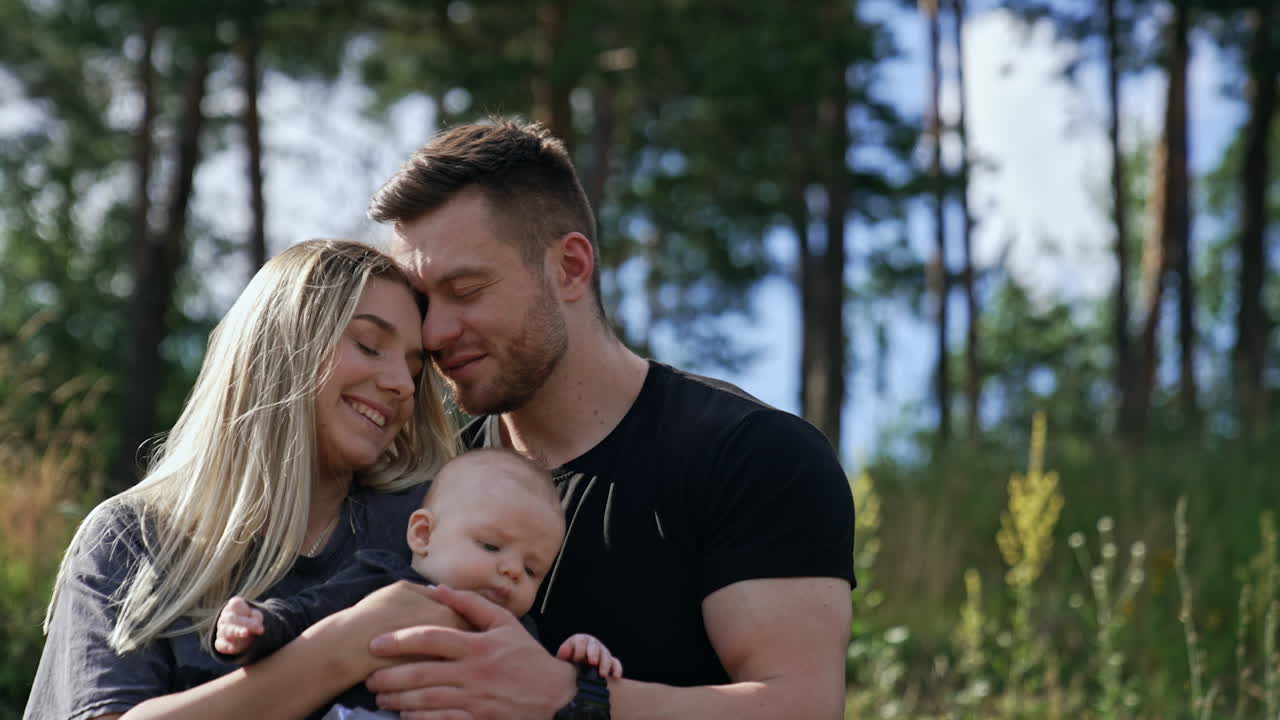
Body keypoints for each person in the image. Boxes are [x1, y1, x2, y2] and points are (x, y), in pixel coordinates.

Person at [361, 119, 857, 719]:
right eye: (423, 304)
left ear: (570, 267)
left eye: (465, 290)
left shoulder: (753, 456)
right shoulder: (428, 477)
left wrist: (568, 698)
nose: (435, 333)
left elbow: (800, 707)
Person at [25, 239, 465, 720]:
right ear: (281, 349)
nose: (402, 384)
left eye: (414, 368)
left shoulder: (422, 529)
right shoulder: (133, 539)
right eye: (368, 345)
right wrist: (344, 647)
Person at [213, 448, 623, 714]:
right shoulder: (381, 581)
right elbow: (310, 613)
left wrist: (580, 659)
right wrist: (257, 624)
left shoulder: (513, 634)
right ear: (423, 535)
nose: (512, 571)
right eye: (491, 546)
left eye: (533, 570)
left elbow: (539, 691)